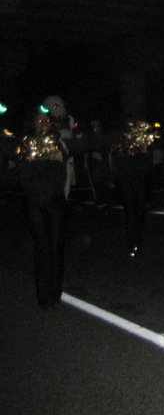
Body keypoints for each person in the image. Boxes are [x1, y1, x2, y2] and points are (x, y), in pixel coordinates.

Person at [16, 109, 105, 309]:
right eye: (39, 120)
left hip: (55, 200)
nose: (43, 123)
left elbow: (87, 144)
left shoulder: (60, 144)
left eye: (46, 120)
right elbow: (16, 163)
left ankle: (55, 290)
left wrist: (115, 137)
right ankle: (43, 296)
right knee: (42, 247)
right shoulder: (24, 144)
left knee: (56, 245)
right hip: (34, 202)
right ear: (33, 123)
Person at [113, 117, 154, 258]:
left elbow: (147, 171)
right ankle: (132, 244)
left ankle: (137, 243)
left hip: (139, 186)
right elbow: (119, 171)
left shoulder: (140, 150)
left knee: (139, 216)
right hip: (129, 187)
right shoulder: (121, 149)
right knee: (131, 216)